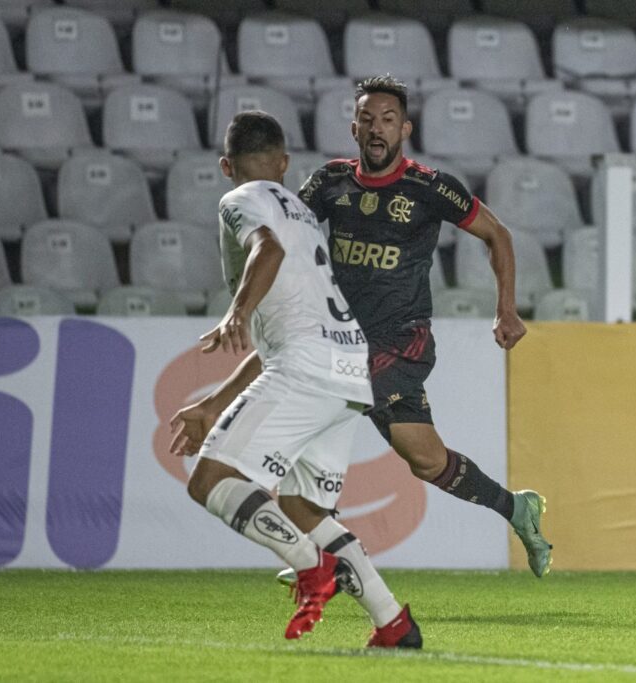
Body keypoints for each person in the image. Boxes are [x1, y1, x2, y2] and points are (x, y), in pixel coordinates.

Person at [169, 110, 421, 648]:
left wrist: (236, 311)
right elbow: (278, 341)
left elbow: (267, 248)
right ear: (284, 163)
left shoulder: (239, 199)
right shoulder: (302, 214)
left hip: (308, 367)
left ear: (225, 165)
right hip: (349, 371)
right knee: (303, 507)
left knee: (210, 481)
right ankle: (393, 623)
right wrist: (215, 403)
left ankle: (313, 569)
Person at [295, 74, 552, 578]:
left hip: (400, 342)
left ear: (404, 129)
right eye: (368, 119)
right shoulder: (329, 184)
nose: (377, 129)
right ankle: (517, 509)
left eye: (388, 120)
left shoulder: (430, 188)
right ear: (353, 128)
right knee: (428, 461)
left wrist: (506, 309)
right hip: (344, 340)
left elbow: (496, 234)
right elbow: (291, 234)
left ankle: (325, 551)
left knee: (320, 410)